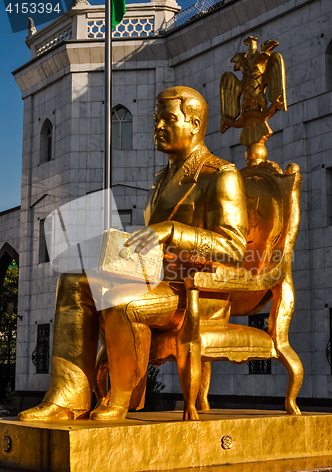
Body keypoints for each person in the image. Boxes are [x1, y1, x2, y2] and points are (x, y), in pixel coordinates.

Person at [19, 86, 247, 422]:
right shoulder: (161, 179)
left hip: (195, 292)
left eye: (168, 119)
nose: (157, 126)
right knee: (73, 281)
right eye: (156, 119)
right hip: (155, 279)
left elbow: (234, 248)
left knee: (120, 301)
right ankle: (68, 399)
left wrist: (172, 230)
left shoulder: (220, 175)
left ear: (195, 124)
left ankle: (119, 399)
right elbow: (151, 240)